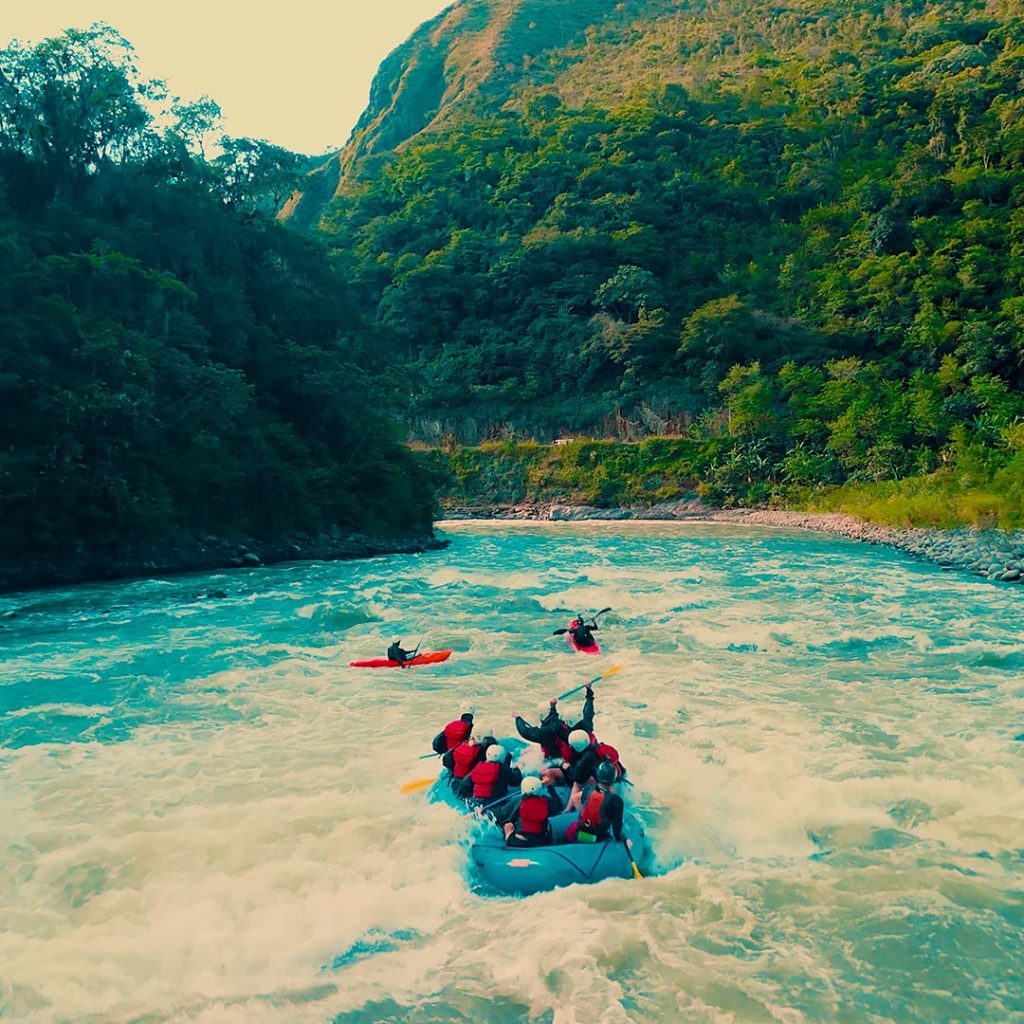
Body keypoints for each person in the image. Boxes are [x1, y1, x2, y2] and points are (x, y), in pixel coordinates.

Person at [514, 686, 594, 760]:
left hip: (556, 760)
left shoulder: (551, 730)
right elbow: (588, 711)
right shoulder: (586, 723)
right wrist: (589, 692)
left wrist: (518, 718)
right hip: (585, 753)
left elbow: (525, 732)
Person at [566, 759, 623, 843]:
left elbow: (575, 798)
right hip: (596, 838)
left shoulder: (588, 789)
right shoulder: (616, 801)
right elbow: (616, 830)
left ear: (598, 776)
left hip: (576, 832)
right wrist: (621, 840)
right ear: (613, 779)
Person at [503, 776, 562, 847]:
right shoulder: (547, 801)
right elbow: (559, 806)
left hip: (519, 842)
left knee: (508, 825)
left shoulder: (518, 801)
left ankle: (508, 838)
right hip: (541, 842)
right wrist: (550, 787)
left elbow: (504, 815)